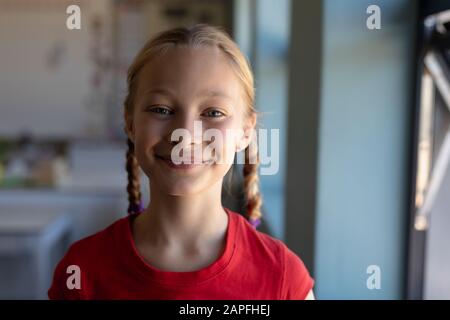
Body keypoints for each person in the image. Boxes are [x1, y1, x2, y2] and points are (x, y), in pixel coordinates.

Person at [48, 24, 314, 300]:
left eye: (213, 112)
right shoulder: (82, 271)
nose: (184, 135)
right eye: (162, 110)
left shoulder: (283, 279)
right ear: (130, 123)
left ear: (246, 132)